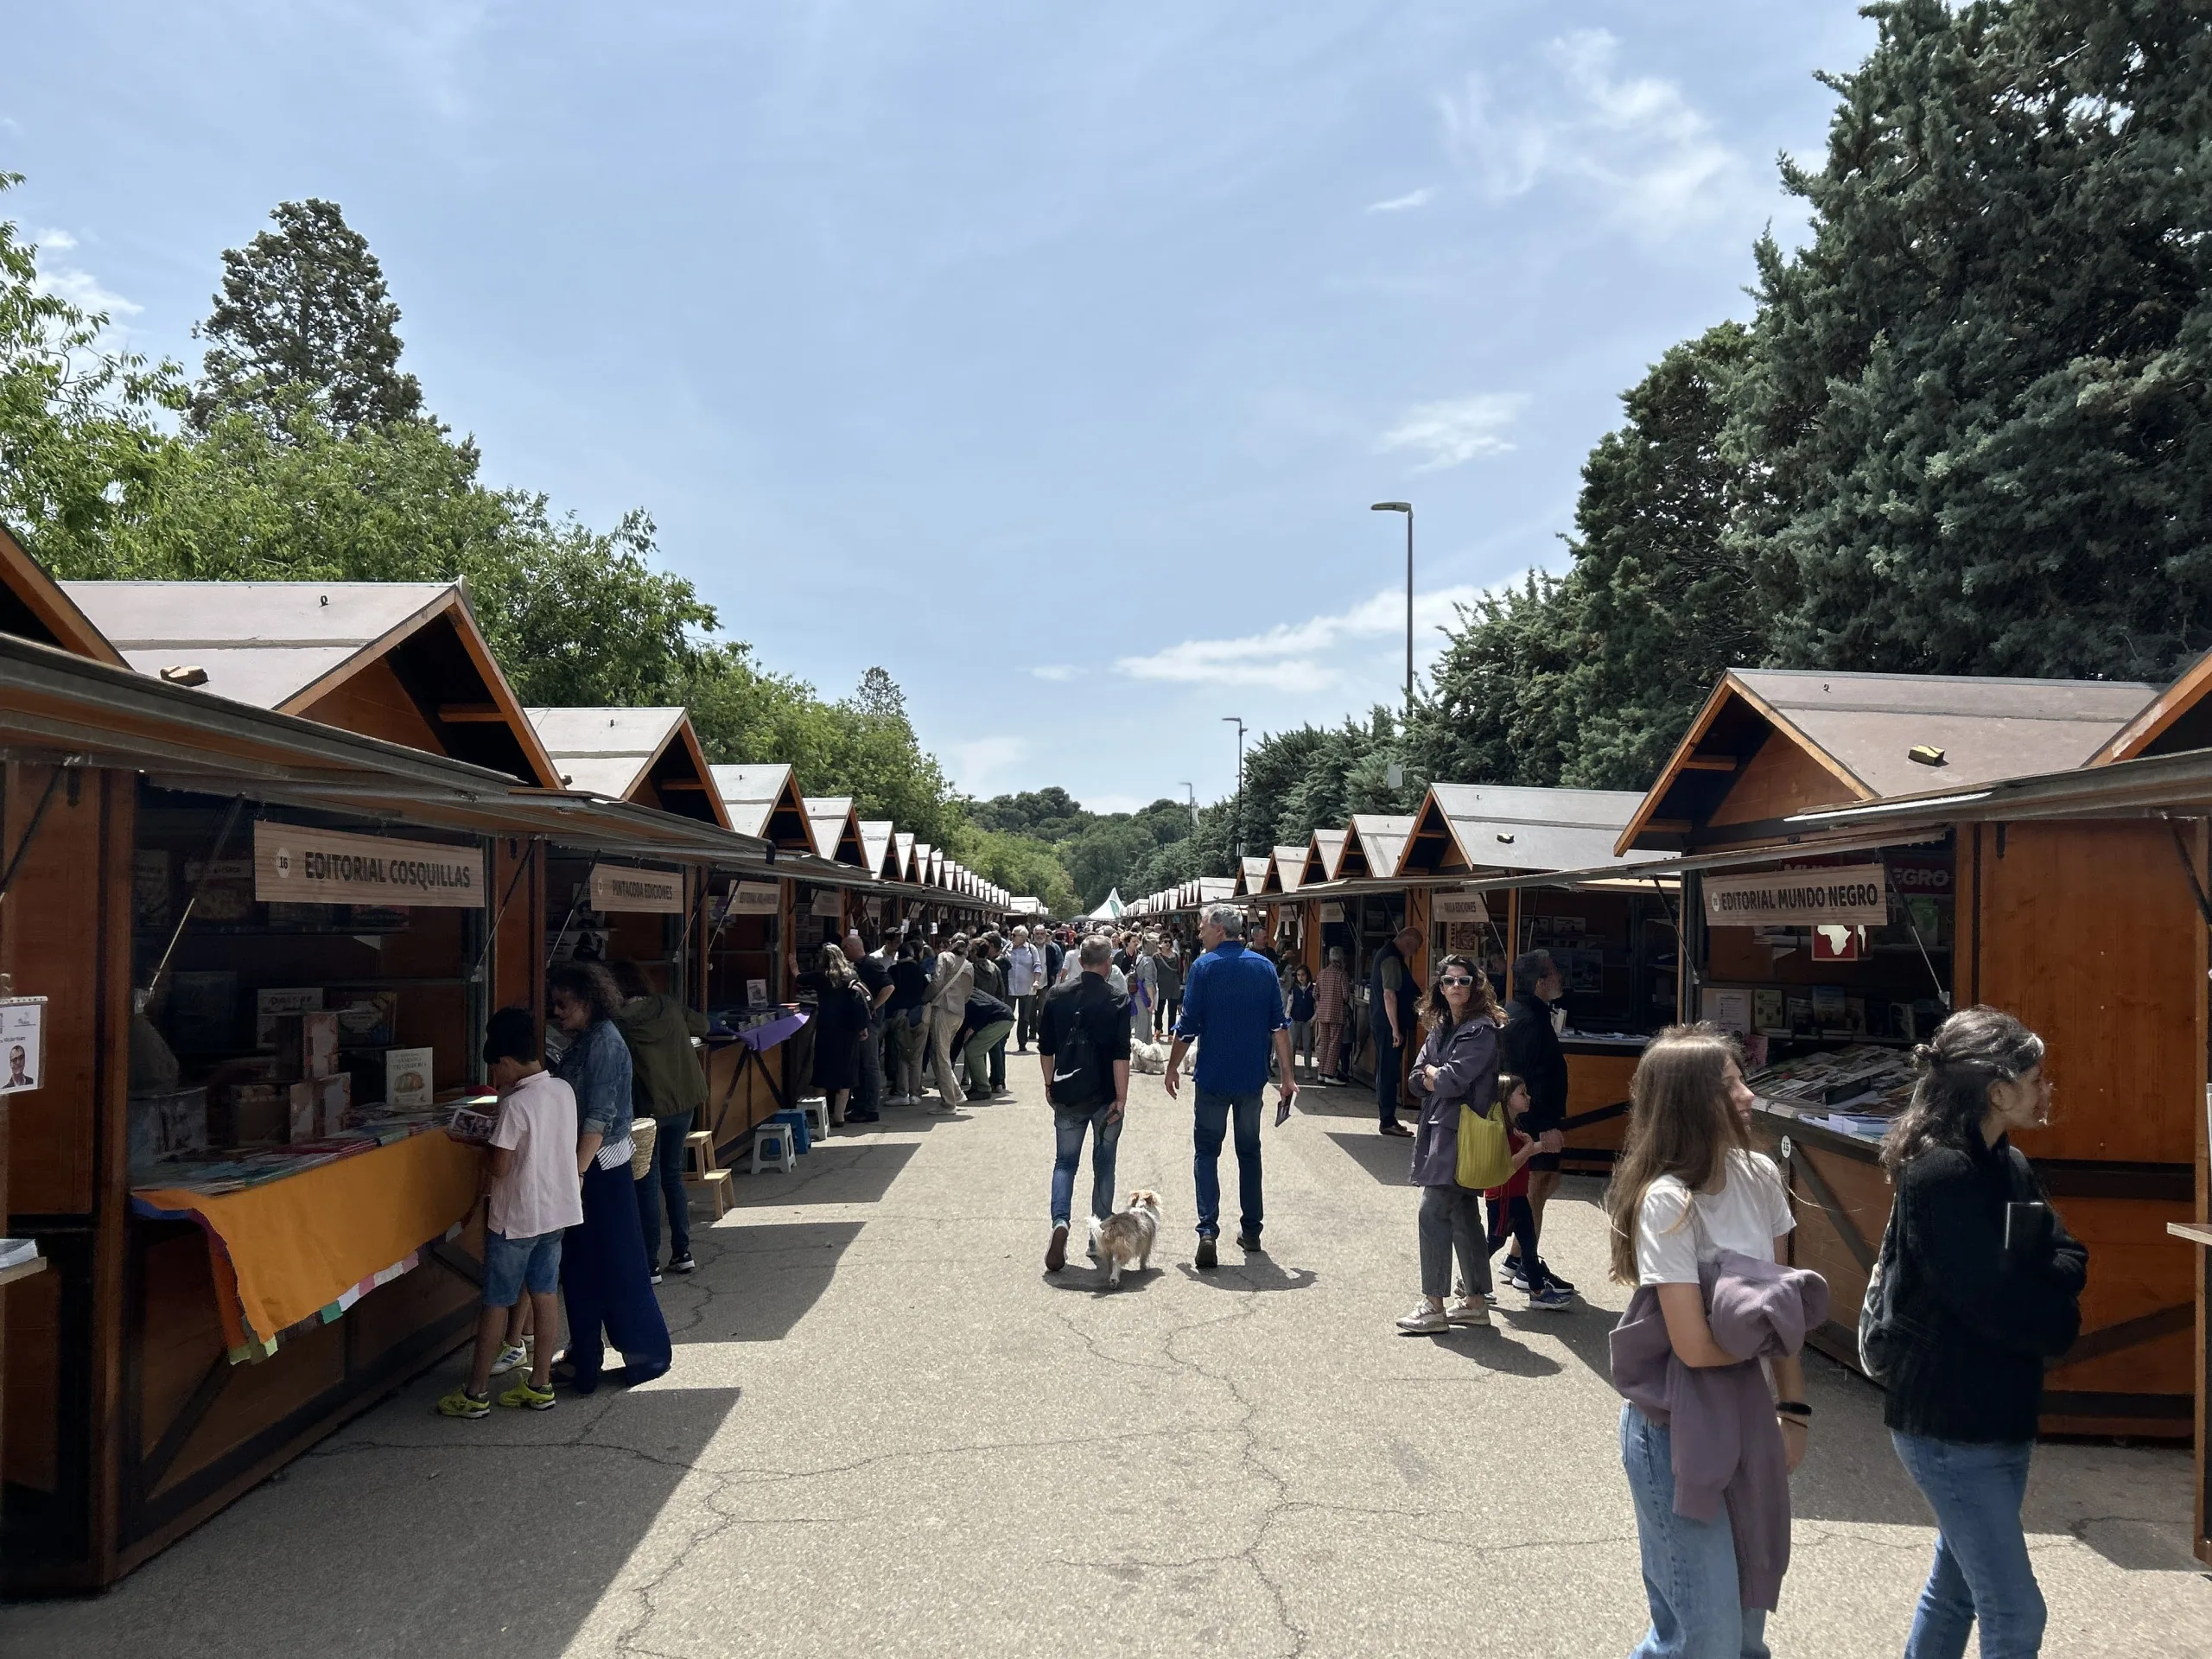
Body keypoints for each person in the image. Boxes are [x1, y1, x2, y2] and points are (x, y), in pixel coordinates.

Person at [1878, 1007, 2087, 1659]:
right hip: (1949, 1422)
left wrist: (2039, 1280)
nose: (2046, 1088)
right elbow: (1989, 1301)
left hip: (2001, 1411)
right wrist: (2057, 1313)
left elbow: (2068, 1253)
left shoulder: (2010, 1165)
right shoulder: (1942, 1172)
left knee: (1958, 1589)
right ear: (1998, 1090)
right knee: (2016, 1612)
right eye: (2035, 1077)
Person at [1602, 1023, 1809, 1658]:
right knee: (1703, 1637)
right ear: (1692, 1102)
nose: (1748, 1095)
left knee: (1744, 1629)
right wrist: (1764, 1343)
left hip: (1745, 1414)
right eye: (1730, 1085)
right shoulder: (1669, 1201)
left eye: (1742, 1078)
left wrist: (1793, 1409)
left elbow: (1782, 1303)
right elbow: (1692, 1348)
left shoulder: (1762, 1176)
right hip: (1672, 1422)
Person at [439, 1007, 582, 1417]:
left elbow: (500, 1165)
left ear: (505, 1063)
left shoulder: (516, 1106)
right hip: (556, 1211)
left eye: (495, 1071)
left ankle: (475, 1392)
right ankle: (540, 1385)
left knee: (497, 1302)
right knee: (546, 1295)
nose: (495, 1079)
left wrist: (473, 1144)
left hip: (516, 1216)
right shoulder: (563, 1090)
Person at [547, 962, 671, 1393]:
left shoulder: (604, 1043)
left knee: (610, 1268)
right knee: (584, 1269)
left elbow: (597, 1120)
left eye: (564, 1004)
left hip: (599, 1169)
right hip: (590, 1167)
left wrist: (577, 1173)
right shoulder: (586, 1039)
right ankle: (584, 1356)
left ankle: (636, 1355)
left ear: (588, 1000)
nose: (557, 1012)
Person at [1166, 903, 1296, 1268]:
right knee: (1249, 1153)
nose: (1199, 932)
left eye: (1204, 926)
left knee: (1206, 1153)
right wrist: (1287, 1077)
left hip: (1212, 1078)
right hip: (1251, 1079)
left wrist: (1172, 1066)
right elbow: (1279, 1027)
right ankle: (1252, 1230)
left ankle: (1208, 1229)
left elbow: (1188, 1025)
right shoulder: (1265, 967)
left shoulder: (1203, 968)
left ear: (1220, 929)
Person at [1394, 955, 1503, 1333]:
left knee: (1432, 1211)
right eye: (1448, 982)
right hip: (1442, 1130)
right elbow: (1413, 1079)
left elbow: (1452, 1082)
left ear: (1476, 986)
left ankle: (1433, 1304)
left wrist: (1434, 1075)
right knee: (1461, 1214)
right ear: (1439, 988)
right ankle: (1474, 1301)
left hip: (1462, 1133)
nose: (1456, 987)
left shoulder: (1481, 1030)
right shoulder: (1441, 1027)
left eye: (1464, 981)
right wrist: (1431, 1075)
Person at [1037, 934, 1133, 1271]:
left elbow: (1045, 1047)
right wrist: (1121, 1098)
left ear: (1079, 961)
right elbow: (1122, 1054)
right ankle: (1098, 1238)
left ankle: (1060, 1222)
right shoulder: (1118, 999)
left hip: (1068, 1092)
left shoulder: (1057, 995)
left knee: (1065, 1163)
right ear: (1108, 963)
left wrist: (1049, 1084)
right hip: (1105, 1095)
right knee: (1104, 1165)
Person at [609, 959, 709, 1280]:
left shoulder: (618, 1022)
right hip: (683, 1101)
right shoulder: (667, 1004)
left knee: (647, 1184)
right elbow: (704, 1026)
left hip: (648, 1106)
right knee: (674, 1176)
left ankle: (650, 1261)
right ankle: (682, 1251)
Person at [1503, 950, 1574, 1292]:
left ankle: (1517, 1257)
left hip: (1539, 1115)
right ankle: (1526, 1266)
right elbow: (1529, 1076)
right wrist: (1543, 1125)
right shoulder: (1527, 1018)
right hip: (1535, 1117)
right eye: (1555, 974)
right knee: (1535, 1187)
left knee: (1546, 1184)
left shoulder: (1529, 1012)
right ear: (1541, 981)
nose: (1560, 979)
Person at [1481, 1073, 1571, 1311]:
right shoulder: (1499, 1129)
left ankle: (1538, 1291)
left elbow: (1523, 1154)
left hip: (1518, 1195)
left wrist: (1542, 1146)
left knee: (1528, 1245)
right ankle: (1471, 1282)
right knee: (1495, 1240)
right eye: (1522, 1093)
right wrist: (1532, 1147)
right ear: (1506, 1099)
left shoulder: (1515, 1127)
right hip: (1502, 1197)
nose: (1528, 1097)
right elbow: (1508, 1165)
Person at [807, 943, 871, 1126]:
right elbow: (858, 1004)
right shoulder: (851, 975)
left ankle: (820, 1116)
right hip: (848, 1030)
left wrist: (793, 965)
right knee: (846, 1071)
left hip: (826, 1029)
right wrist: (862, 1027)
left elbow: (799, 978)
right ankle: (839, 1116)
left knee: (822, 1070)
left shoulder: (820, 976)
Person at [1370, 924, 1422, 1137]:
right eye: (1416, 948)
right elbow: (1389, 995)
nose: (1415, 953)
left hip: (1384, 1023)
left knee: (1387, 1070)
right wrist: (1395, 1029)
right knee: (1389, 1072)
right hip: (1388, 1025)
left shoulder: (1388, 954)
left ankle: (1388, 1118)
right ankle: (1388, 1120)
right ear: (1408, 942)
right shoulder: (1391, 958)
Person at [842, 931, 892, 1123]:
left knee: (869, 1064)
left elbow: (889, 987)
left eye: (845, 948)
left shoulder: (870, 964)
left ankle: (870, 1108)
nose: (844, 952)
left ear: (854, 947)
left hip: (870, 1023)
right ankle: (861, 1103)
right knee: (862, 1064)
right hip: (863, 1021)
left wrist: (873, 1008)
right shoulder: (858, 965)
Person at [924, 933, 974, 1110]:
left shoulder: (944, 957)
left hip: (943, 1009)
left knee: (940, 1056)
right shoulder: (968, 965)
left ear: (951, 943)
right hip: (959, 1012)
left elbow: (937, 982)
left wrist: (925, 998)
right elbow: (968, 993)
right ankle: (957, 1094)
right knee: (939, 1054)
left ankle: (948, 1102)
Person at [953, 982, 1018, 1103]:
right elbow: (960, 1036)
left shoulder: (966, 995)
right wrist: (951, 1059)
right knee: (971, 1048)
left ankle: (983, 1088)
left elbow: (986, 1007)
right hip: (1002, 1017)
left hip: (1000, 1019)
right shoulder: (965, 992)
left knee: (973, 1051)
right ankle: (980, 1085)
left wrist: (974, 1028)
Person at [884, 938, 929, 1104]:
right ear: (913, 954)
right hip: (920, 1015)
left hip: (900, 1016)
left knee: (902, 1056)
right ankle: (915, 1093)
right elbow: (928, 990)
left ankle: (902, 1093)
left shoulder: (893, 971)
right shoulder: (921, 970)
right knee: (917, 1056)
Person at [969, 936, 1013, 1097]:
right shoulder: (994, 968)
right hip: (995, 1009)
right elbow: (1002, 990)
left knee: (976, 1048)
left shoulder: (972, 969)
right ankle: (999, 1081)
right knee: (996, 1048)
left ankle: (979, 1083)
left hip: (979, 1010)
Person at [1313, 945, 1351, 1087]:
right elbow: (1346, 996)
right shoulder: (1341, 974)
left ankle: (1321, 1072)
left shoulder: (1322, 973)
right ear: (1341, 959)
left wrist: (1322, 1002)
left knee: (1324, 1043)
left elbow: (1315, 993)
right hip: (1336, 1014)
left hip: (1322, 1013)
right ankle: (1329, 1074)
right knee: (1334, 1044)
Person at [1007, 925, 1046, 1052]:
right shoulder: (1007, 947)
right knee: (1006, 1015)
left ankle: (1022, 1043)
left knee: (1024, 1017)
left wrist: (1036, 981)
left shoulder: (1031, 949)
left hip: (1026, 988)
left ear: (1023, 937)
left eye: (1014, 935)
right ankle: (1002, 1040)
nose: (1011, 937)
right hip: (1009, 988)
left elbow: (1037, 965)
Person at [1128, 936, 1160, 1049]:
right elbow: (1149, 982)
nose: (1158, 946)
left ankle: (1146, 1055)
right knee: (1143, 1028)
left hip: (1138, 995)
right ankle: (1139, 1056)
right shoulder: (1148, 960)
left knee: (1144, 1027)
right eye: (1156, 944)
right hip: (1143, 997)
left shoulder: (1140, 956)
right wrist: (1151, 1001)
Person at [1287, 964, 1317, 1077]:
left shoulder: (1312, 989)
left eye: (1303, 975)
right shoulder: (1294, 989)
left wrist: (1313, 1019)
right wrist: (1287, 1019)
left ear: (1307, 975)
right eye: (1298, 975)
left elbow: (1317, 1005)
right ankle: (1291, 1069)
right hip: (1295, 1020)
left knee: (1307, 1046)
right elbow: (1289, 1004)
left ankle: (1307, 1069)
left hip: (1307, 1021)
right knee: (1292, 1045)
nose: (1301, 977)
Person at [1154, 936, 1185, 1039]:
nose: (1167, 943)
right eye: (1165, 941)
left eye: (1169, 941)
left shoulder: (1176, 955)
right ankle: (1158, 1029)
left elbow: (1180, 969)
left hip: (1174, 985)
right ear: (1160, 943)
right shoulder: (1156, 957)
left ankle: (1171, 1034)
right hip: (1161, 986)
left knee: (1172, 1011)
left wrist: (1180, 983)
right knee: (1159, 1010)